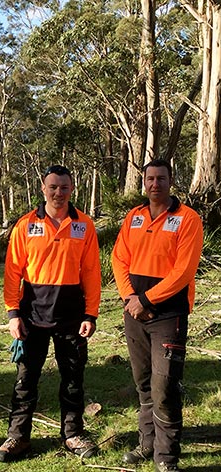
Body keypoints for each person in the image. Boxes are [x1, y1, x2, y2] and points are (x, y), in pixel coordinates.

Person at [0, 164, 102, 462]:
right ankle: (17, 438)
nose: (58, 192)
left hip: (71, 316)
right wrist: (12, 314)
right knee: (25, 380)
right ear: (42, 189)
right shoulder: (26, 224)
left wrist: (90, 314)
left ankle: (72, 434)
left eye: (64, 187)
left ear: (71, 189)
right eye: (53, 187)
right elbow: (12, 272)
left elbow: (92, 272)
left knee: (72, 379)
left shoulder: (84, 225)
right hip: (31, 317)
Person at [112, 159, 203, 472]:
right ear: (144, 182)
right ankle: (147, 444)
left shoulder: (187, 219)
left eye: (161, 179)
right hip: (134, 312)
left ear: (171, 180)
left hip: (169, 315)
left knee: (165, 386)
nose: (155, 185)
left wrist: (147, 299)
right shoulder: (134, 217)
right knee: (144, 382)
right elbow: (119, 258)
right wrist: (130, 298)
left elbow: (184, 271)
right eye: (150, 179)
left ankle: (166, 457)